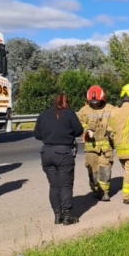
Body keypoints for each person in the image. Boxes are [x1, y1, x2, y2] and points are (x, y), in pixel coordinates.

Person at [34, 92, 84, 225]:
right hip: (62, 152)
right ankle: (68, 216)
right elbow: (79, 130)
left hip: (46, 152)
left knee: (54, 185)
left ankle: (57, 216)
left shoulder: (43, 114)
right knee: (66, 185)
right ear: (66, 103)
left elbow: (37, 134)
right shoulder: (69, 113)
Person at [77, 85, 114, 201]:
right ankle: (95, 188)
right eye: (92, 102)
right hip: (91, 147)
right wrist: (86, 129)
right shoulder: (84, 111)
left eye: (97, 101)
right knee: (92, 170)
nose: (95, 104)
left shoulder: (110, 109)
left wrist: (111, 132)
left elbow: (116, 123)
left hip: (105, 147)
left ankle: (105, 192)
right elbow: (78, 125)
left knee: (105, 169)